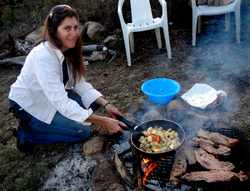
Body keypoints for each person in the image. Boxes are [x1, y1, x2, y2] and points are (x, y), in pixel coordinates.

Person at [8, 4, 124, 152]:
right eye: (67, 28)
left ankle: (50, 125)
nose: (74, 33)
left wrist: (107, 104)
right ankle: (28, 134)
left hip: (51, 96)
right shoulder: (43, 56)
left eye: (76, 27)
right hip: (30, 105)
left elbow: (79, 83)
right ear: (54, 31)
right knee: (83, 131)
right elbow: (61, 102)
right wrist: (103, 121)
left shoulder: (68, 49)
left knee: (90, 106)